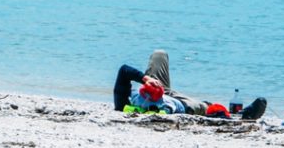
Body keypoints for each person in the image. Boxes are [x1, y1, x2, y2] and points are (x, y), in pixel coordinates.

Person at [113, 49, 266, 120]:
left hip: (156, 88)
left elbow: (124, 70)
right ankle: (240, 116)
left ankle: (152, 79)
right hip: (179, 104)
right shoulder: (128, 108)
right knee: (204, 106)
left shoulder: (125, 100)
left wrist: (146, 79)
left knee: (159, 55)